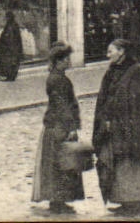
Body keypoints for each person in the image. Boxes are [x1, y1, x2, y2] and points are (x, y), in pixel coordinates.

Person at [93, 37, 140, 219]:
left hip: (132, 130)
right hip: (113, 128)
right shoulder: (112, 71)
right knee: (118, 166)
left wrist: (124, 122)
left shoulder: (135, 72)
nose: (107, 55)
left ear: (121, 52)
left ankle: (138, 206)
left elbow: (137, 103)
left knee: (134, 166)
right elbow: (105, 98)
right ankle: (125, 202)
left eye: (111, 51)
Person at [31, 41, 86, 216]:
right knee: (61, 164)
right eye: (65, 59)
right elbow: (63, 106)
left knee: (58, 164)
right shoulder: (58, 80)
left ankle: (59, 200)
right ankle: (58, 201)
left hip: (56, 126)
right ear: (58, 61)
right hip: (59, 127)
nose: (68, 62)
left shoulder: (57, 77)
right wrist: (71, 127)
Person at [0, 11, 24, 80]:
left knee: (9, 62)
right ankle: (11, 76)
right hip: (15, 47)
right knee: (13, 62)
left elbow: (8, 38)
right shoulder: (14, 24)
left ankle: (9, 77)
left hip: (10, 48)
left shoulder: (10, 26)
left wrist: (2, 45)